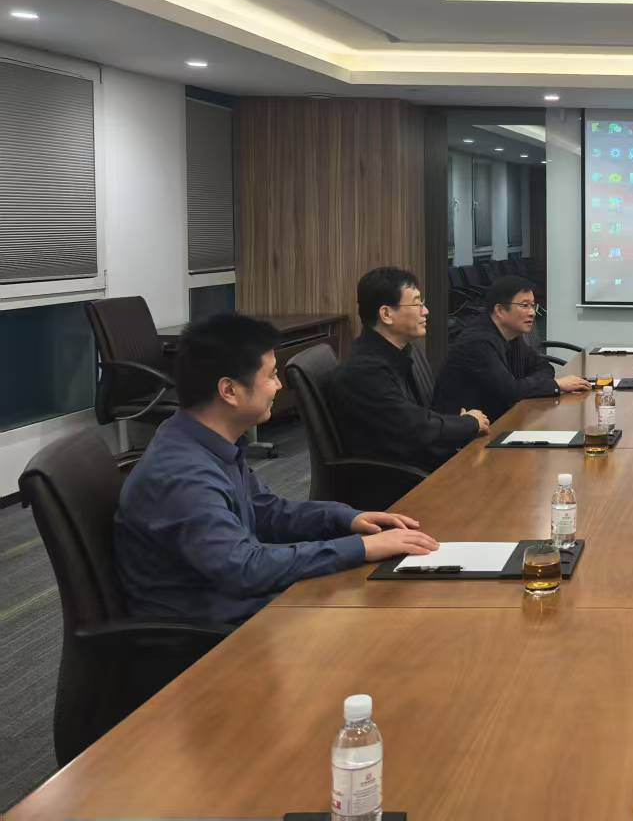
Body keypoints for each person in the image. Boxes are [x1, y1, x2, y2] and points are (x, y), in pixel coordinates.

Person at [114, 313, 441, 625]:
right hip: (213, 637)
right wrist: (360, 548)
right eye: (271, 375)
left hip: (245, 607)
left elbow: (265, 511)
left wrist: (346, 519)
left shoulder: (206, 439)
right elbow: (245, 568)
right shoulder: (183, 475)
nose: (279, 385)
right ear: (229, 391)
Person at [330, 267, 491, 472]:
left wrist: (458, 423)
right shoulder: (365, 371)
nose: (425, 311)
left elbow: (418, 416)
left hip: (416, 463)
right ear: (386, 314)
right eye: (417, 304)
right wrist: (469, 423)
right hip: (398, 478)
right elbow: (416, 429)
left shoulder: (395, 353)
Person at [434, 275, 590, 419]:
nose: (532, 313)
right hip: (465, 429)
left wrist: (524, 385)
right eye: (524, 305)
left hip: (498, 417)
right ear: (500, 310)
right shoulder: (478, 342)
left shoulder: (512, 334)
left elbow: (544, 367)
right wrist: (556, 385)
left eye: (533, 305)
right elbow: (511, 391)